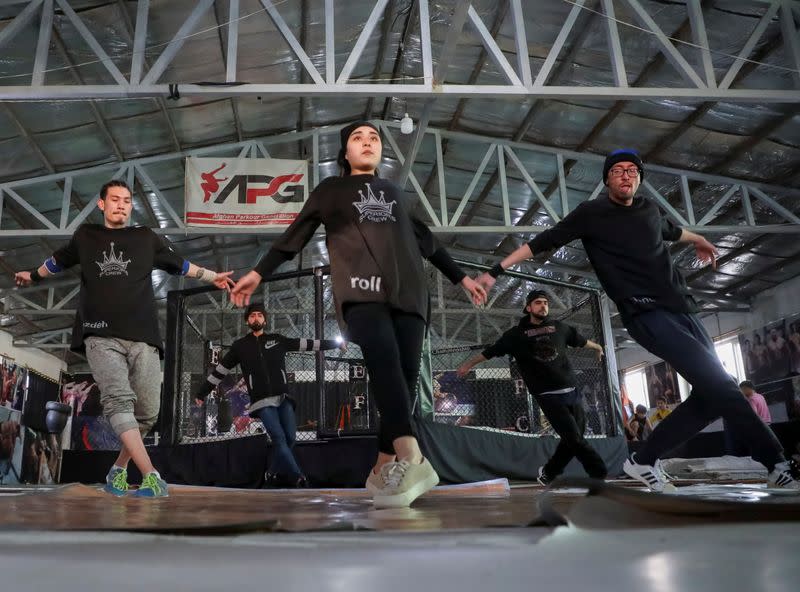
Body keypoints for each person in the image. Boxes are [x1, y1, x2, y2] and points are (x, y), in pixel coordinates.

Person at [476, 149, 799, 491]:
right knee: (722, 385)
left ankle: (642, 460)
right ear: (607, 180)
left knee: (709, 397)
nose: (626, 175)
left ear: (639, 179)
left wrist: (701, 239)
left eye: (632, 170)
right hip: (646, 313)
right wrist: (497, 270)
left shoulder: (649, 210)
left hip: (684, 309)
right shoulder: (592, 213)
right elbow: (543, 241)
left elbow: (674, 232)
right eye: (617, 171)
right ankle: (776, 463)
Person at [230, 121, 487, 507]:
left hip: (411, 297)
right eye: (357, 138)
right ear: (345, 153)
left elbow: (427, 241)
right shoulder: (331, 191)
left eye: (374, 138)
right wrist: (257, 273)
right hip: (362, 294)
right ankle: (413, 457)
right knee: (383, 365)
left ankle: (382, 468)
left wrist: (463, 279)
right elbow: (293, 237)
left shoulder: (396, 194)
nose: (367, 142)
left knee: (401, 382)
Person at [15, 180, 234, 497]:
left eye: (127, 200)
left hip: (143, 336)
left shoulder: (145, 238)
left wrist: (213, 276)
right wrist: (32, 275)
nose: (121, 204)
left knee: (147, 413)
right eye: (114, 199)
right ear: (101, 204)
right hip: (99, 333)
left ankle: (117, 470)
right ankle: (152, 477)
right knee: (119, 400)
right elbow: (56, 261)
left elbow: (180, 265)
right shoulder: (86, 236)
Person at [456, 290, 607, 484]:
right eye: (538, 303)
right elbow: (490, 352)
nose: (543, 306)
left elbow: (581, 341)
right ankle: (599, 473)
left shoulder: (559, 327)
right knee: (575, 439)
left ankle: (549, 473)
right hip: (548, 395)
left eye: (545, 302)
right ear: (528, 308)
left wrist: (598, 348)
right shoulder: (515, 335)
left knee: (574, 439)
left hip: (572, 391)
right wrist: (468, 365)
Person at [196, 302, 343, 487]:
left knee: (290, 438)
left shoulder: (277, 339)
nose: (255, 318)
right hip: (261, 401)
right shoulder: (240, 346)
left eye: (259, 315)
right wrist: (202, 392)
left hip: (283, 397)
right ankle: (299, 477)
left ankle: (271, 472)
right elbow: (221, 370)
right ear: (247, 321)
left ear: (265, 319)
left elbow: (306, 344)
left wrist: (335, 344)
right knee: (279, 438)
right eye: (252, 315)